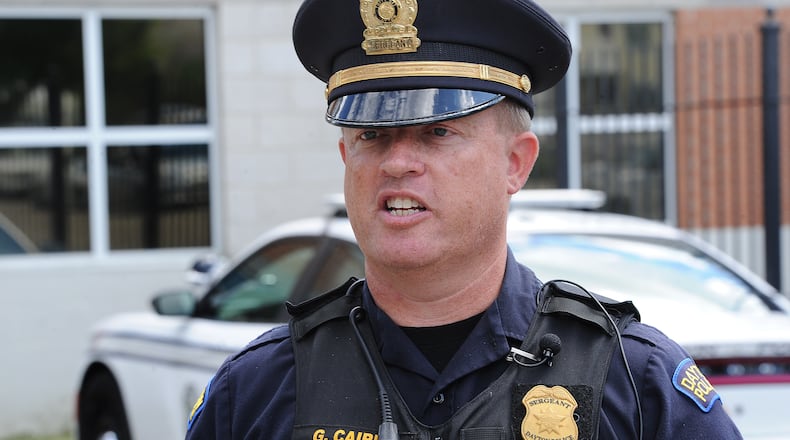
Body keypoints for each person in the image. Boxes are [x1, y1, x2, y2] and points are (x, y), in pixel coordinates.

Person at [185, 0, 743, 438]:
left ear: (515, 164)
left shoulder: (635, 385)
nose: (397, 163)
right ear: (345, 158)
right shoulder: (257, 392)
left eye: (438, 131)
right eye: (371, 135)